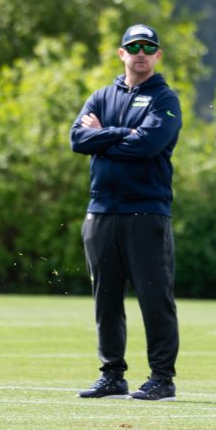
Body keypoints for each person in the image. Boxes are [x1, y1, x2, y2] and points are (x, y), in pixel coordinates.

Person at [69, 24, 183, 401]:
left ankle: (162, 379)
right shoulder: (101, 96)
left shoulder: (164, 99)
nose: (140, 52)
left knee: (154, 298)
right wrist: (123, 134)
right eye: (133, 46)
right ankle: (112, 375)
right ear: (121, 53)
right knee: (106, 298)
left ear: (157, 55)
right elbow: (77, 139)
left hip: (146, 213)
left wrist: (104, 136)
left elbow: (148, 145)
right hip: (101, 212)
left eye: (148, 47)